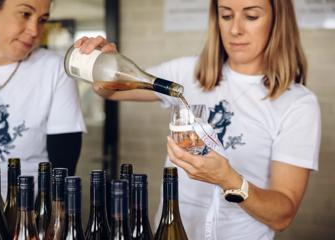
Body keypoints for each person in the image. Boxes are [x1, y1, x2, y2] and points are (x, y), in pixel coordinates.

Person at [75, 0, 321, 239]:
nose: (235, 29)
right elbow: (111, 90)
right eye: (226, 15)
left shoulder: (297, 104)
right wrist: (104, 62)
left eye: (251, 16)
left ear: (278, 21)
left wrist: (229, 180)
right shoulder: (188, 73)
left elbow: (282, 215)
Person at [0, 0, 86, 199]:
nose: (35, 31)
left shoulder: (55, 70)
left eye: (42, 20)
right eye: (25, 14)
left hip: (28, 219)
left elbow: (63, 170)